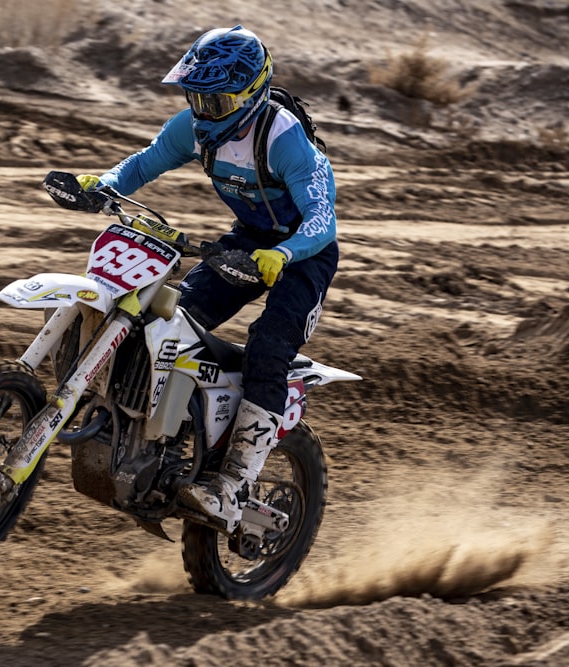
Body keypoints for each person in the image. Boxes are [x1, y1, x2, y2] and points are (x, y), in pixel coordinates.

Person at [77, 25, 338, 533]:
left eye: (214, 102)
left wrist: (283, 253)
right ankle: (157, 438)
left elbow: (321, 221)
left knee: (268, 347)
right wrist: (104, 183)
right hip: (248, 239)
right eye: (195, 97)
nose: (202, 111)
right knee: (170, 317)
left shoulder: (285, 141)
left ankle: (234, 482)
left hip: (303, 255)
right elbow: (144, 164)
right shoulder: (193, 129)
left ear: (249, 95)